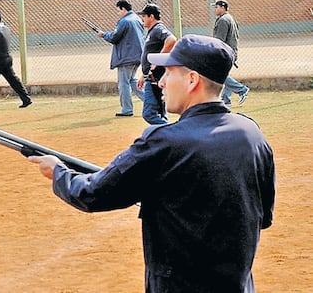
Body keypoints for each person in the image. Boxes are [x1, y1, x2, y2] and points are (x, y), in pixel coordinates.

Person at [29, 35, 275, 292]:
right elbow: (263, 216)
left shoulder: (165, 142)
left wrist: (58, 172)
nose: (161, 82)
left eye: (169, 73)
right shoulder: (252, 134)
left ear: (192, 80)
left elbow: (93, 193)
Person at [96, 0, 145, 116]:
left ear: (123, 9)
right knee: (133, 81)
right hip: (137, 56)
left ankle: (127, 110)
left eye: (118, 11)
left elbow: (114, 37)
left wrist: (103, 34)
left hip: (126, 57)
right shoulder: (137, 19)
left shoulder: (124, 21)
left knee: (123, 83)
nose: (118, 13)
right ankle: (151, 102)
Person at [136, 4, 176, 125]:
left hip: (156, 77)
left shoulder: (158, 29)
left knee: (149, 114)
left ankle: (171, 131)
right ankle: (168, 137)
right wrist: (144, 75)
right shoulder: (152, 31)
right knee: (160, 112)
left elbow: (172, 40)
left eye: (144, 16)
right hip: (152, 76)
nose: (142, 19)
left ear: (151, 17)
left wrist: (158, 59)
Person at [212, 0, 250, 106]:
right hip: (231, 51)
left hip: (225, 52)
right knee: (225, 74)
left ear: (222, 7)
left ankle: (242, 90)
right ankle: (226, 100)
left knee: (220, 75)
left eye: (216, 7)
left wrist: (214, 52)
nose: (215, 9)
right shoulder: (230, 18)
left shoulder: (223, 20)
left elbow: (220, 40)